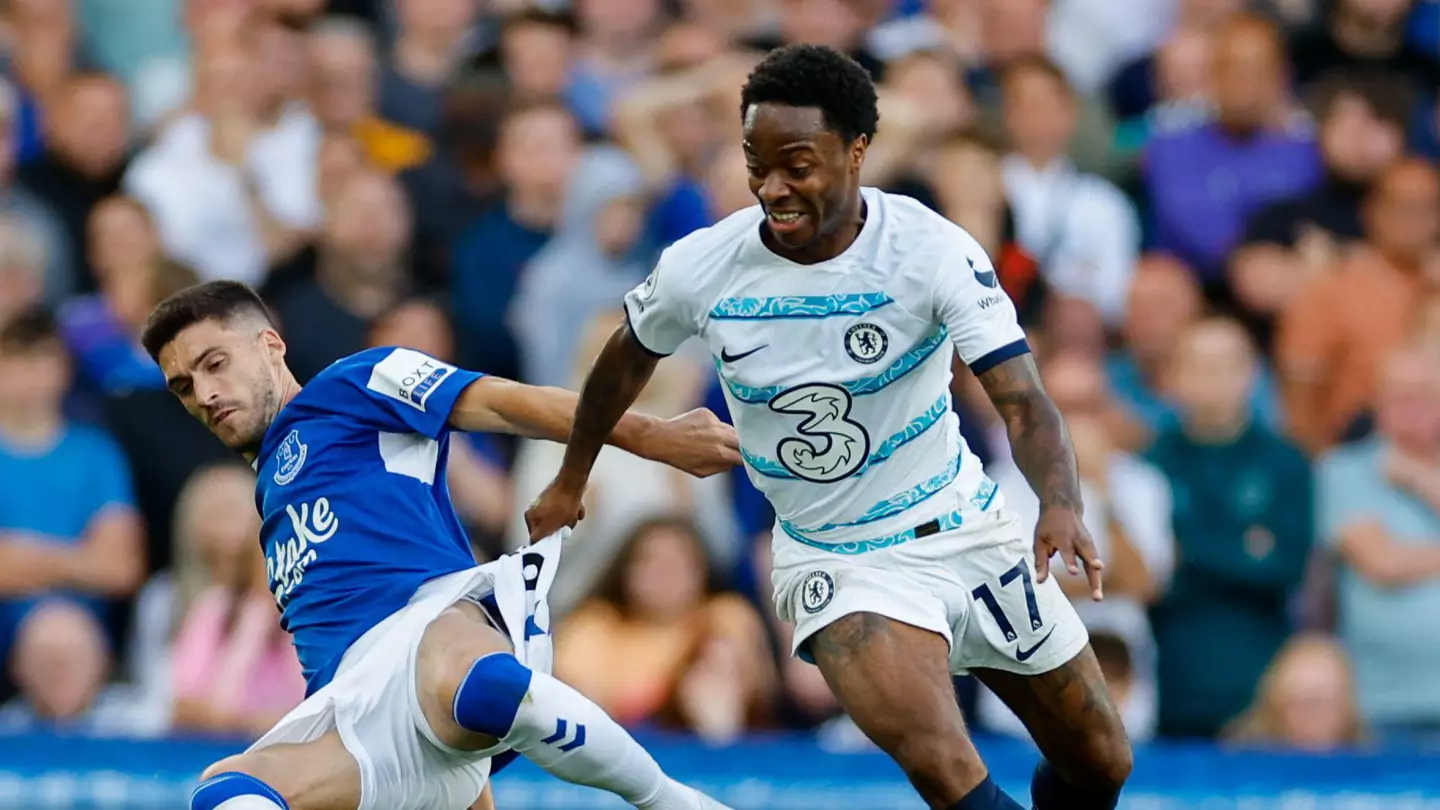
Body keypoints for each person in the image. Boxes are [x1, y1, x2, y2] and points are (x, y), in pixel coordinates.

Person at [527, 44, 1132, 810]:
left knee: (1102, 765)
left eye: (797, 165)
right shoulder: (703, 266)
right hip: (840, 563)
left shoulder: (931, 250)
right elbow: (619, 365)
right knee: (949, 770)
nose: (771, 188)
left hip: (968, 531)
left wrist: (1060, 500)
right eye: (756, 162)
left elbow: (1022, 399)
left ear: (856, 152)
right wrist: (570, 477)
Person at [139, 280, 741, 810]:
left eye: (214, 363)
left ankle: (673, 802)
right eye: (183, 387)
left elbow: (506, 403)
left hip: (432, 624)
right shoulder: (270, 497)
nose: (204, 393)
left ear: (270, 346)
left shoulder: (354, 383)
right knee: (222, 792)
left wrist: (652, 436)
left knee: (480, 682)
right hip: (359, 710)